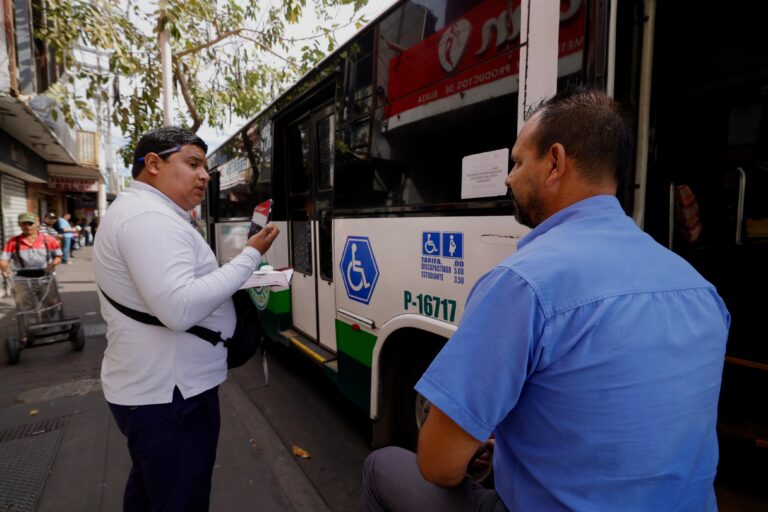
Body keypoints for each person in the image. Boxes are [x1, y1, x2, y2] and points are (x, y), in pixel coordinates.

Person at [362, 87, 730, 511]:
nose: (507, 177)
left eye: (517, 162)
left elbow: (439, 465)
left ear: (555, 162)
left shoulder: (521, 284)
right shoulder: (701, 290)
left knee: (381, 467)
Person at [93, 126, 279, 512]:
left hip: (159, 393)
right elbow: (178, 308)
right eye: (193, 163)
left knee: (151, 493)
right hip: (172, 398)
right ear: (154, 164)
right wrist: (249, 257)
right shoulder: (149, 218)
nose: (205, 175)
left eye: (205, 167)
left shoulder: (147, 213)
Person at [0, 212, 63, 322]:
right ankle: (33, 328)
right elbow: (4, 259)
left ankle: (46, 323)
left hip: (45, 276)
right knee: (28, 305)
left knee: (51, 303)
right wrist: (5, 268)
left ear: (37, 224)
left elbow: (58, 256)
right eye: (24, 224)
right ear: (19, 225)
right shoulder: (13, 242)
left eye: (30, 223)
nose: (27, 226)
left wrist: (52, 264)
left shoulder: (49, 240)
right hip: (23, 279)